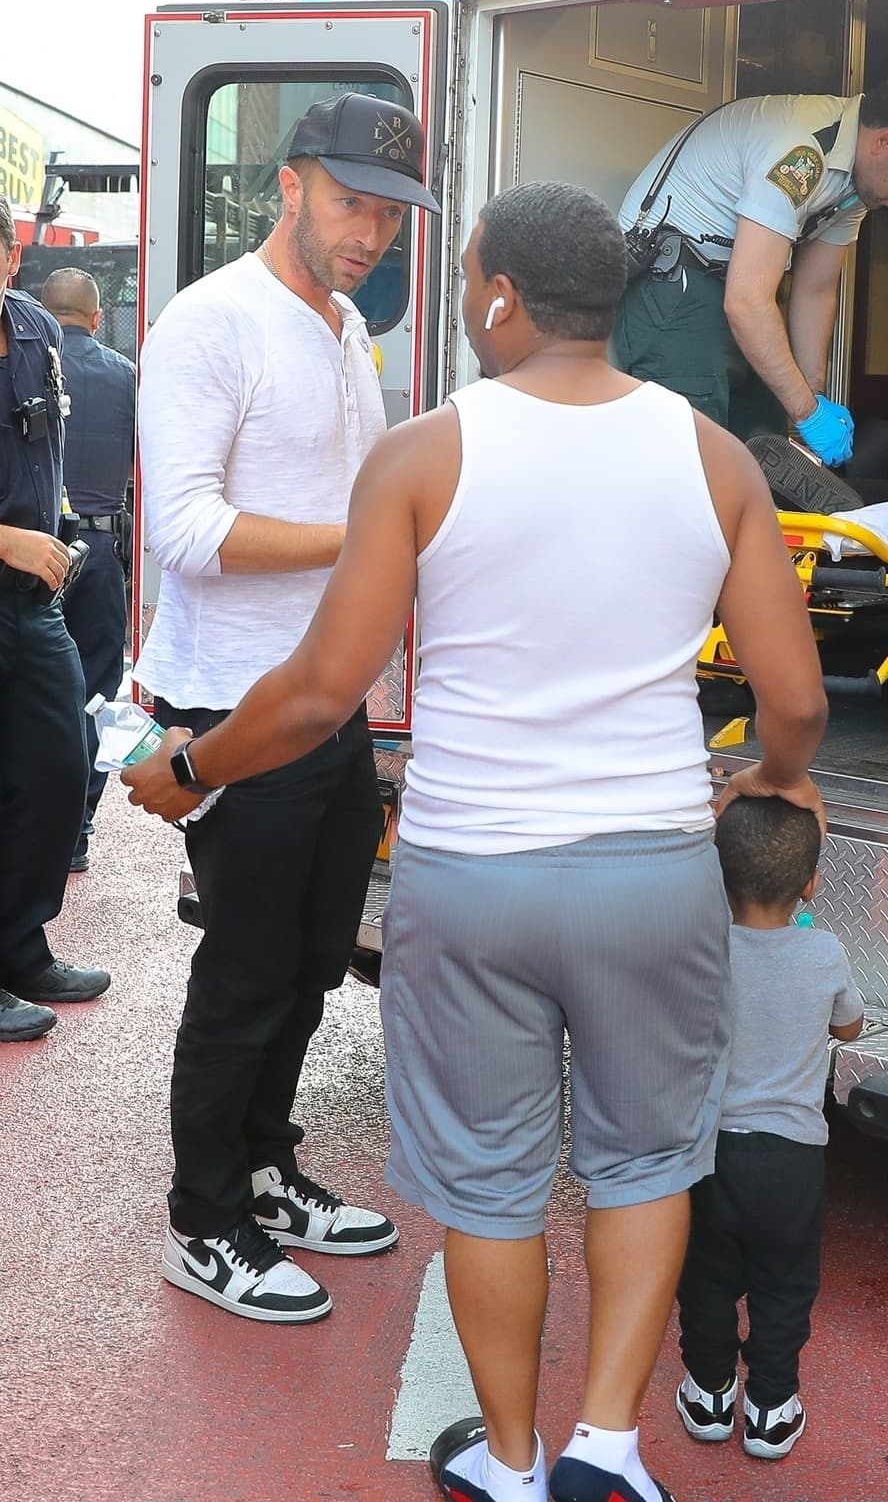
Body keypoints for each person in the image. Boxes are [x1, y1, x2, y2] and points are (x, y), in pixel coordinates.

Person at [124, 180, 830, 1502]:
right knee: (644, 1165)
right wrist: (771, 785)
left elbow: (323, 685)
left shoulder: (425, 455)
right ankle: (610, 1453)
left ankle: (509, 1466)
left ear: (501, 296)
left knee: (495, 1193)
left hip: (473, 876)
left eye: (462, 278)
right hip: (651, 873)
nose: (457, 299)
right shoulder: (714, 457)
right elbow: (793, 702)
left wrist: (193, 767)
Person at [132, 91, 434, 1324]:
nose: (370, 232)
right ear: (290, 183)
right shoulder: (211, 322)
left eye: (389, 212)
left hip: (330, 698)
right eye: (351, 201)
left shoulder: (345, 321)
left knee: (313, 962)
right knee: (248, 973)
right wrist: (368, 543)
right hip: (234, 701)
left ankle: (263, 1169)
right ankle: (202, 1223)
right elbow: (186, 530)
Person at [613, 71, 888, 466]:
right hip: (677, 288)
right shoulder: (803, 152)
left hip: (730, 289)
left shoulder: (857, 184)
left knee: (766, 449)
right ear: (885, 141)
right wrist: (808, 413)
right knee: (697, 467)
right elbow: (747, 302)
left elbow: (816, 288)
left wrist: (813, 396)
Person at [673, 796, 863, 1462]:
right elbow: (849, 1026)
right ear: (810, 883)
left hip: (711, 1151)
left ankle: (709, 1391)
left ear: (719, 880)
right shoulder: (824, 951)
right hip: (792, 1161)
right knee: (785, 1282)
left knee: (705, 1275)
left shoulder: (703, 948)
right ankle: (771, 1406)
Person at [0, 197, 106, 1043]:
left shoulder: (37, 334)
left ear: (10, 258)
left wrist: (60, 528)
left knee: (58, 769)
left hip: (30, 601)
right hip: (11, 564)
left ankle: (20, 946)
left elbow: (49, 448)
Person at [40, 267, 136, 871]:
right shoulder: (127, 377)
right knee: (96, 690)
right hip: (100, 554)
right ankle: (77, 827)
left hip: (34, 552)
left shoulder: (22, 366)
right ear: (97, 318)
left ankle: (32, 824)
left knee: (32, 689)